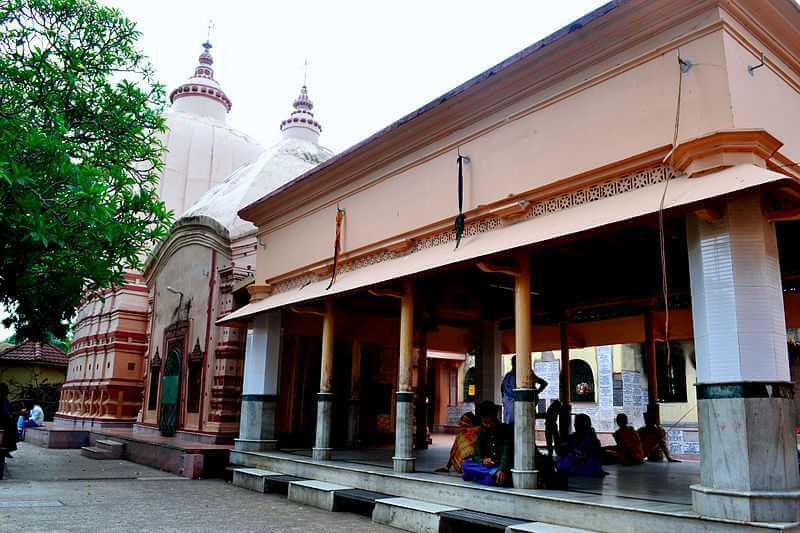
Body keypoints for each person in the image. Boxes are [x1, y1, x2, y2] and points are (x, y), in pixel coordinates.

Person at [461, 401, 514, 486]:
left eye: (491, 422)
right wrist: (483, 461)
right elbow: (476, 456)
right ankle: (491, 473)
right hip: (487, 467)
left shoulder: (505, 430)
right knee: (465, 465)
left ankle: (478, 475)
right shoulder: (481, 433)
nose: (488, 425)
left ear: (495, 418)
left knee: (489, 480)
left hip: (501, 468)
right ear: (481, 420)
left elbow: (506, 454)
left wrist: (501, 469)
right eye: (485, 423)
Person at [501, 356, 548, 424]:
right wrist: (536, 393)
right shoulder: (525, 374)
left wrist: (535, 393)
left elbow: (502, 392)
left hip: (511, 414)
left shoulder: (508, 377)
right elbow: (543, 383)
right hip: (521, 413)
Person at [0, 383, 17, 458]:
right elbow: (4, 414)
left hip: (3, 419)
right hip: (2, 421)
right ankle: (6, 449)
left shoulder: (5, 400)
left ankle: (7, 449)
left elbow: (6, 412)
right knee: (11, 426)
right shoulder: (3, 400)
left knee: (12, 424)